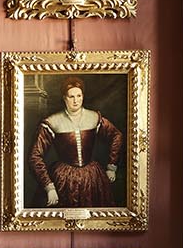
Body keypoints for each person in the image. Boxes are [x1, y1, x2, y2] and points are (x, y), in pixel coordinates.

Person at [28, 75, 124, 209]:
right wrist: (49, 187)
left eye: (79, 96)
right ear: (64, 98)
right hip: (63, 179)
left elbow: (116, 135)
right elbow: (35, 156)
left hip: (92, 178)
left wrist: (112, 166)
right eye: (71, 96)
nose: (76, 100)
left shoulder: (94, 117)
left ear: (83, 96)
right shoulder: (53, 121)